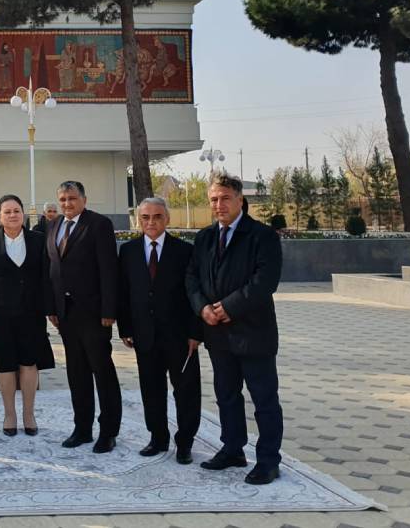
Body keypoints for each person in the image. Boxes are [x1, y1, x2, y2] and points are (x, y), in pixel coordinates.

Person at [186, 174, 284, 485]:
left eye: (225, 198)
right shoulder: (204, 238)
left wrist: (229, 307)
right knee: (226, 395)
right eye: (214, 199)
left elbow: (265, 281)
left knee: (264, 400)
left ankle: (268, 460)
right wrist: (202, 307)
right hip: (217, 334)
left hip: (254, 333)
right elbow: (192, 278)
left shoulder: (262, 236)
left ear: (240, 200)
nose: (219, 205)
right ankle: (232, 449)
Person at [118, 197, 202, 464]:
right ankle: (157, 437)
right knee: (151, 389)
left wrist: (196, 333)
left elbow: (196, 293)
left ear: (167, 219)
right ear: (138, 220)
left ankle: (185, 443)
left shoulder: (185, 251)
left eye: (157, 217)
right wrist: (126, 327)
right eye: (145, 217)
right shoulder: (128, 251)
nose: (151, 222)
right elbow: (124, 292)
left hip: (180, 336)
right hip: (145, 334)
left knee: (186, 391)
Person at [46, 180, 121, 453]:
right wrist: (52, 307)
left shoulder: (99, 225)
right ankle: (82, 428)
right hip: (66, 315)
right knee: (76, 373)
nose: (67, 203)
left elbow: (109, 270)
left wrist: (109, 311)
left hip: (94, 313)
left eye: (72, 198)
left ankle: (108, 431)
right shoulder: (54, 225)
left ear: (84, 200)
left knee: (102, 372)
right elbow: (50, 269)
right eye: (63, 199)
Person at [0, 194, 54, 436]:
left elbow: (47, 277)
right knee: (6, 364)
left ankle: (29, 414)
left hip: (32, 312)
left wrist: (50, 309)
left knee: (29, 363)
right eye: (7, 211)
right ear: (0, 217)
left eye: (16, 210)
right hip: (0, 312)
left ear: (23, 214)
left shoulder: (38, 240)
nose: (12, 215)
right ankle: (9, 414)